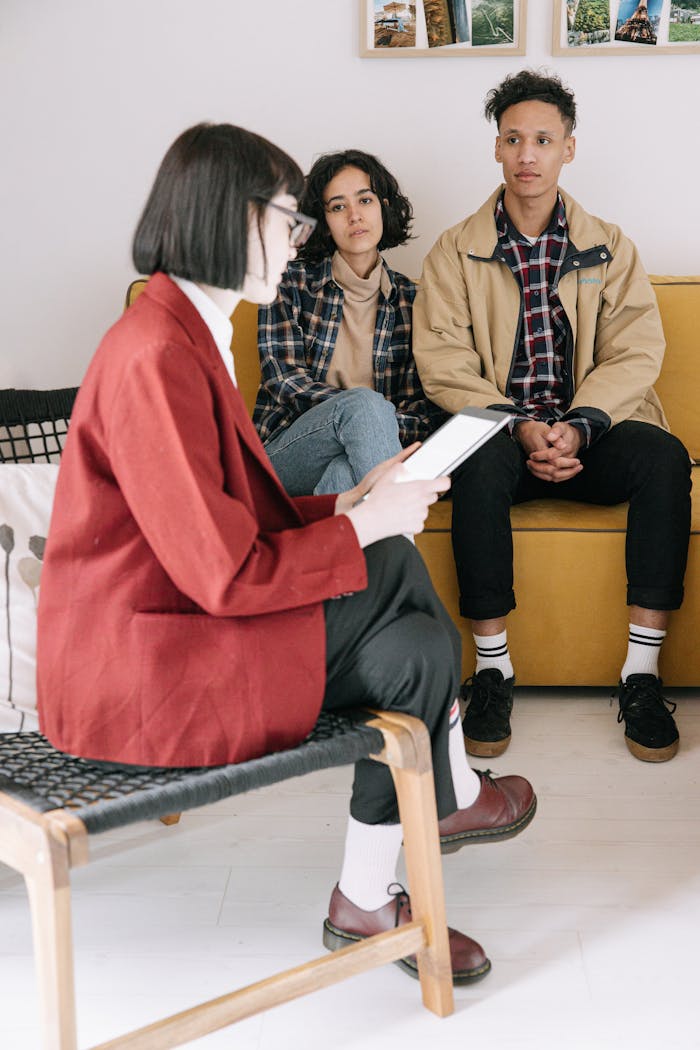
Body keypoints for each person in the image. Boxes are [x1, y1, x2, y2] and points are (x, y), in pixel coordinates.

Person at [36, 123, 536, 984]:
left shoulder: (186, 332)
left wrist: (344, 503)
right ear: (230, 220)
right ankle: (423, 828)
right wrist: (364, 526)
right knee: (389, 571)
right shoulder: (155, 354)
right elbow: (223, 572)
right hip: (150, 668)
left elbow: (222, 517)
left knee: (416, 646)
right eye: (289, 219)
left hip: (178, 627)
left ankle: (366, 896)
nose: (300, 237)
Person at [413, 69, 692, 764]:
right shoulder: (455, 250)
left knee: (663, 458)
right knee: (473, 459)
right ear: (497, 150)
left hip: (588, 432)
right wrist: (519, 425)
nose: (526, 154)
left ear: (570, 147)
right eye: (513, 139)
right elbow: (442, 359)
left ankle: (641, 675)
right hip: (505, 434)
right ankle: (493, 670)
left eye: (543, 138)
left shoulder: (608, 245)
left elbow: (636, 349)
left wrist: (581, 424)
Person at [253, 149, 445, 496]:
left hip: (366, 454)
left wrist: (373, 426)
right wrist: (363, 414)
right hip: (286, 453)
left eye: (365, 200)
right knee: (363, 405)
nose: (355, 216)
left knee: (346, 473)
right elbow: (284, 379)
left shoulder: (411, 299)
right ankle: (401, 540)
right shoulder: (290, 282)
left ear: (383, 207)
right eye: (338, 207)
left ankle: (361, 549)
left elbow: (422, 406)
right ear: (323, 220)